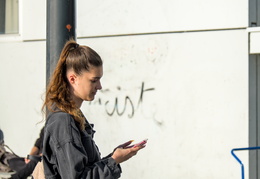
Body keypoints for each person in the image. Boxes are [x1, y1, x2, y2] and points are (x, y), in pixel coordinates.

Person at [42, 39, 146, 179]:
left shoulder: (72, 116)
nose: (99, 86)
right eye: (94, 80)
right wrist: (113, 160)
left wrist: (114, 158)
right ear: (73, 79)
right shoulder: (63, 120)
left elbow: (85, 170)